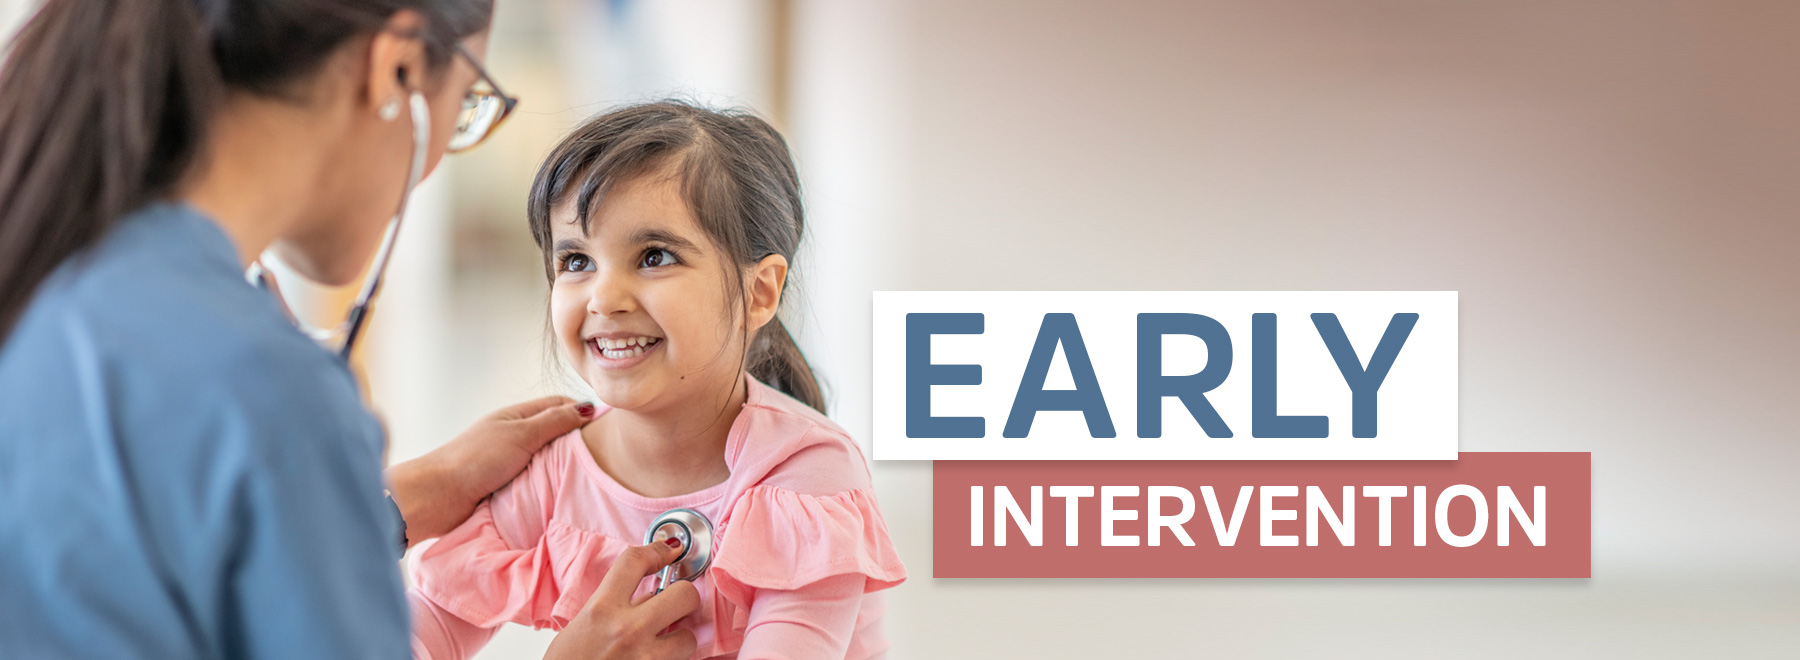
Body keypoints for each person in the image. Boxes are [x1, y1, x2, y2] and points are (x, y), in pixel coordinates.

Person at [0, 1, 698, 658]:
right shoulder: (263, 382)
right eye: (465, 109)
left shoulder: (54, 279)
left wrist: (401, 498)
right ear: (395, 70)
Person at [407, 101, 906, 660]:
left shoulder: (805, 475)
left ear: (760, 292)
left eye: (654, 255)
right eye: (575, 261)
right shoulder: (550, 473)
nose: (603, 298)